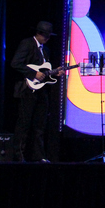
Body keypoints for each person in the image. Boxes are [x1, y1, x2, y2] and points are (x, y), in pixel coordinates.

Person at [11, 21, 62, 162]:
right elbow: (15, 63)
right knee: (24, 123)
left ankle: (39, 156)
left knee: (40, 125)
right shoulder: (27, 44)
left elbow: (44, 72)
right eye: (45, 36)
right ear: (38, 33)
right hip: (27, 89)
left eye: (49, 36)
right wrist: (33, 74)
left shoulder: (45, 50)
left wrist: (55, 73)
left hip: (41, 90)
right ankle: (19, 155)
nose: (47, 39)